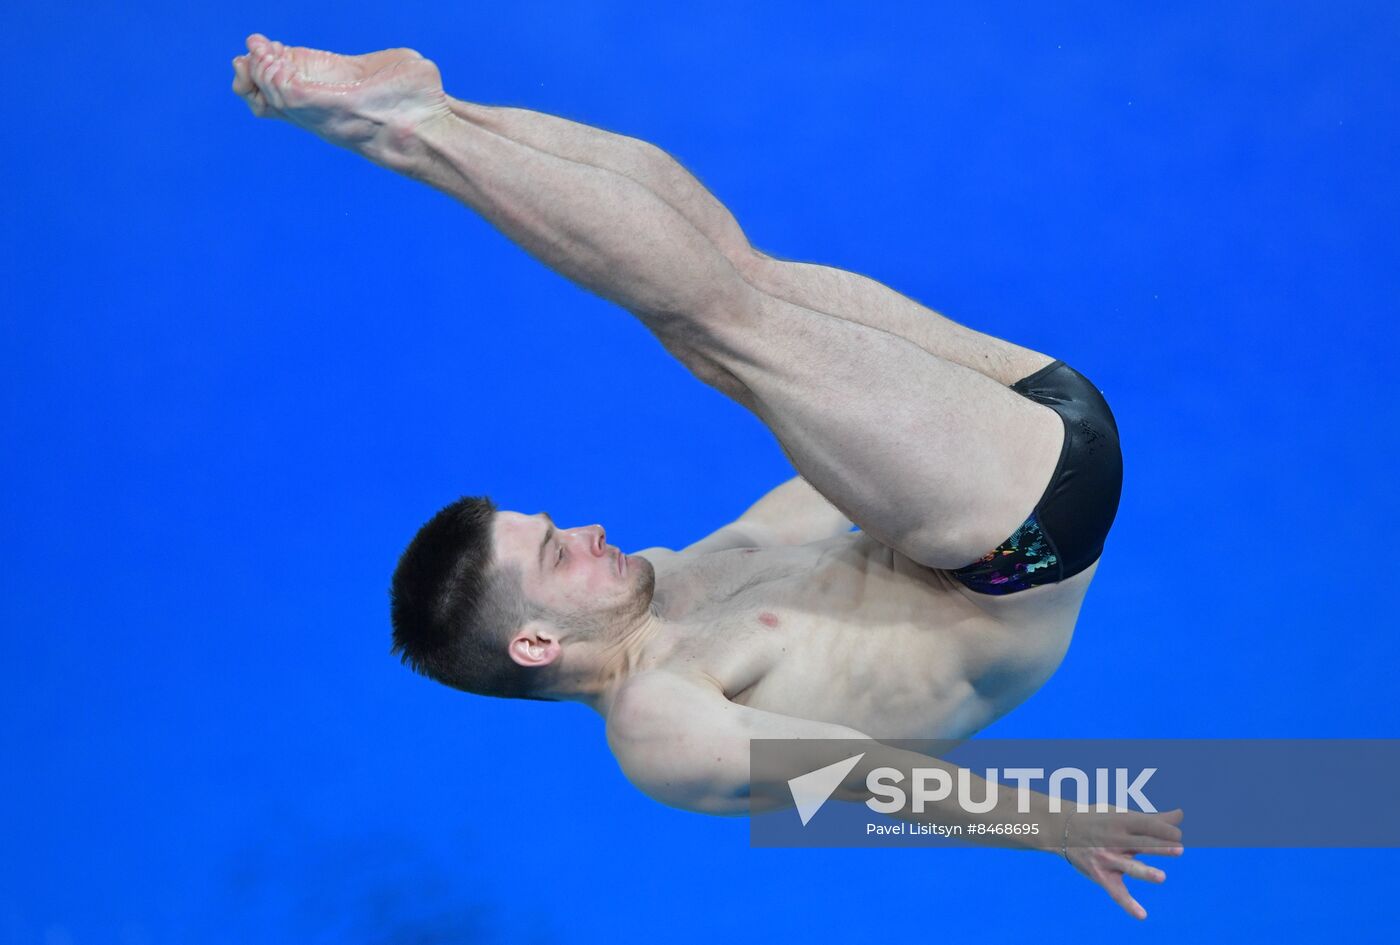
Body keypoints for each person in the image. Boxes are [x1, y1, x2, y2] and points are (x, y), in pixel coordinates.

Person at [232, 34, 1183, 919]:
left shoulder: (672, 580)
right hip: (1019, 538)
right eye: (558, 553)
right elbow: (870, 772)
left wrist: (816, 398)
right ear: (534, 642)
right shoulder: (659, 727)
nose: (593, 531)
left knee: (734, 284)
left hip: (1024, 427)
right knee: (721, 324)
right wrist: (1059, 828)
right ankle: (411, 131)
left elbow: (826, 496)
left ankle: (443, 108)